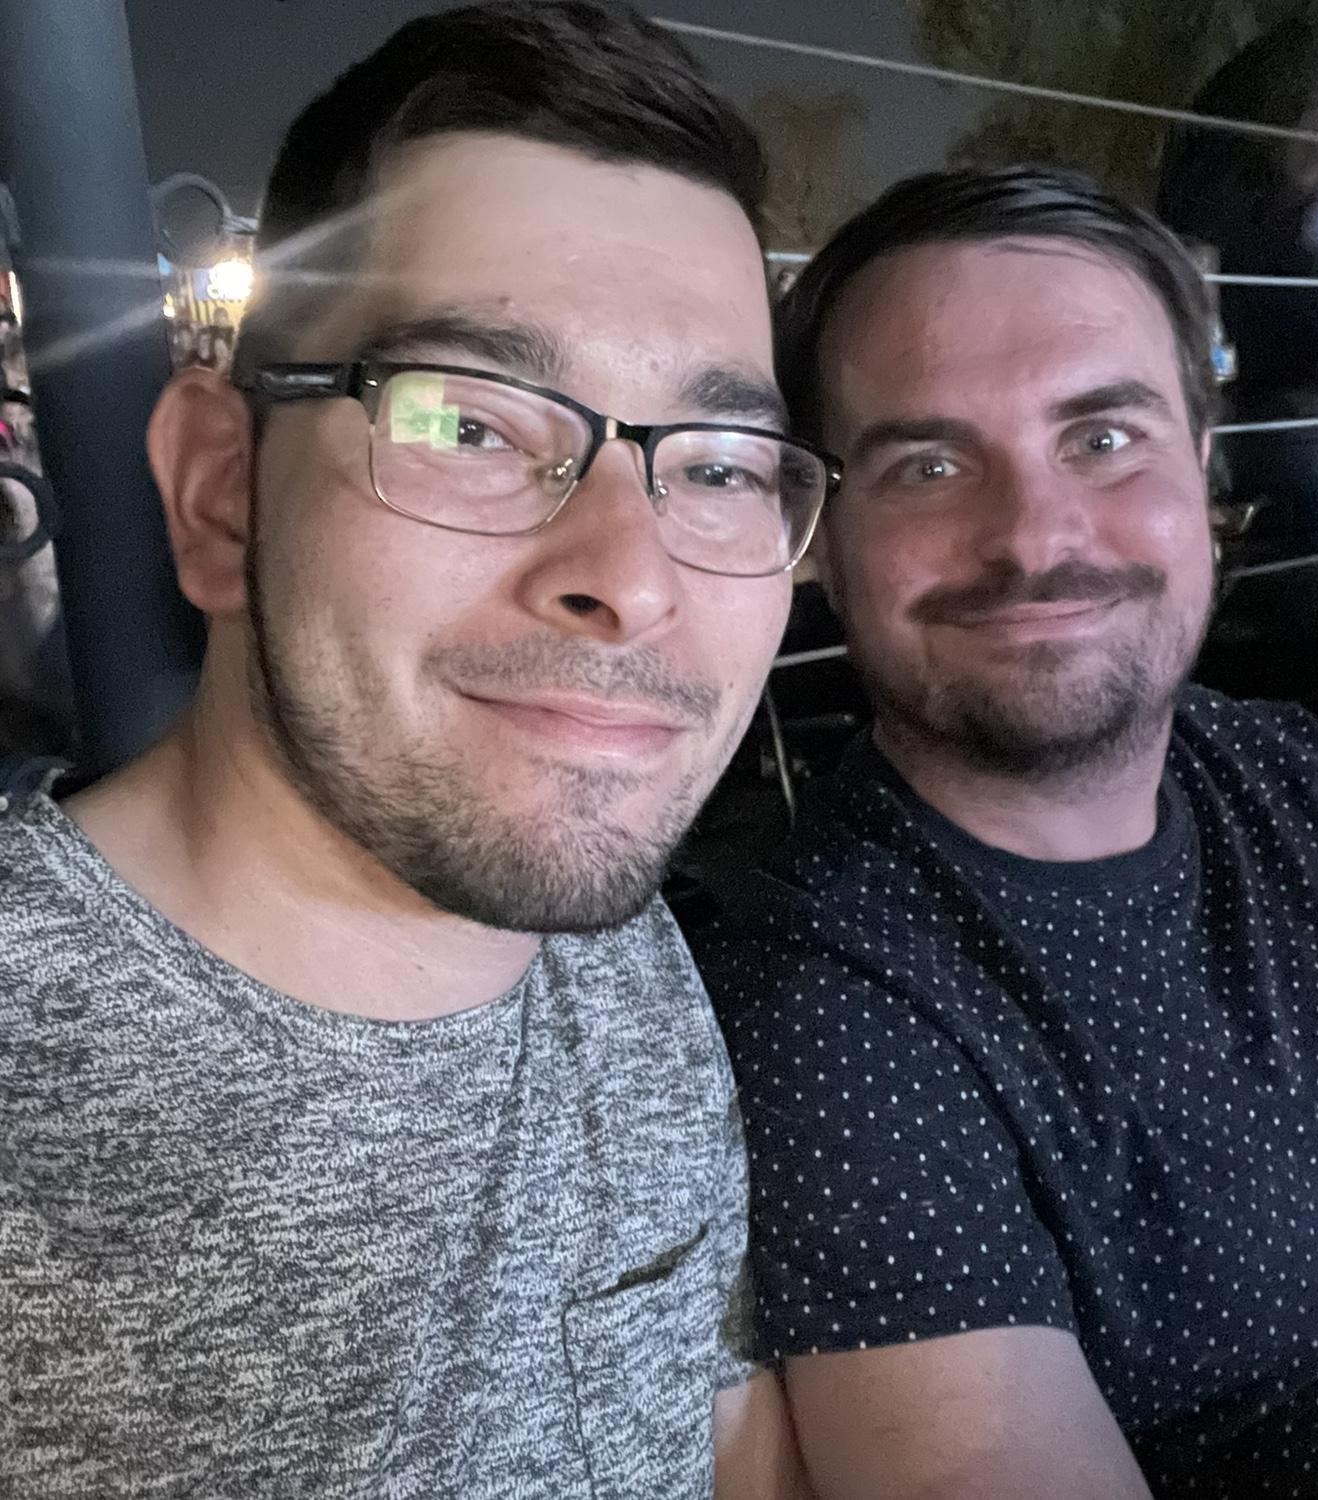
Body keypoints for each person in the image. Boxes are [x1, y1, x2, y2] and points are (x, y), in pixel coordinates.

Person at [0, 4, 835, 1494]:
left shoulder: (621, 962)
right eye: (469, 424)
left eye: (715, 467)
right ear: (220, 492)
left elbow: (722, 1430)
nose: (632, 578)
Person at [690, 165, 1318, 1498]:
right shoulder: (833, 1011)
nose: (1034, 538)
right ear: (819, 535)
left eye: (1105, 438)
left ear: (1203, 464)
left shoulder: (1294, 768)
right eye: (929, 464)